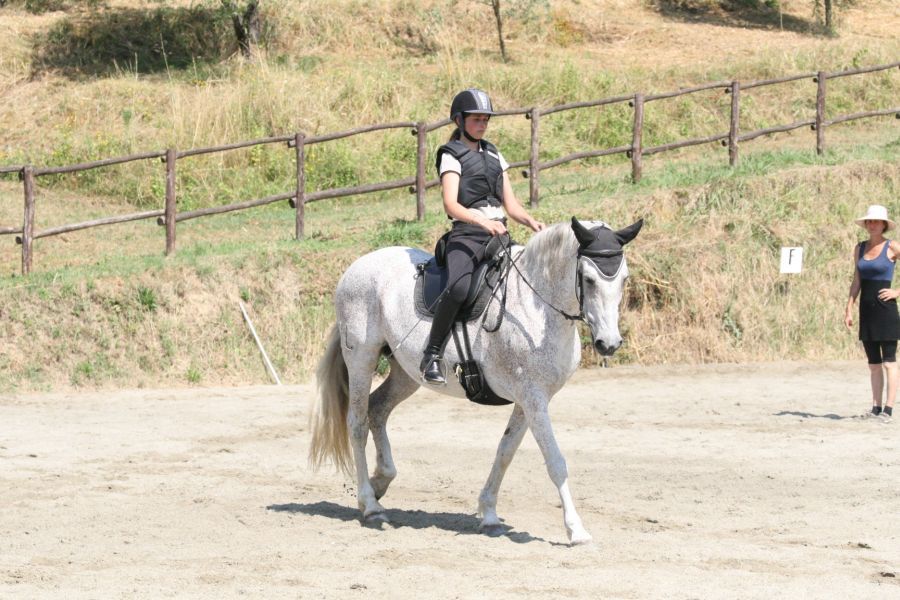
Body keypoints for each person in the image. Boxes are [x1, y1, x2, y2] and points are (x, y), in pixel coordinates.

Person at [419, 88, 544, 384]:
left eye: (485, 119)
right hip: (466, 235)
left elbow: (510, 205)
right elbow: (451, 204)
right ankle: (432, 354)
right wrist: (481, 222)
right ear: (460, 121)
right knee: (460, 288)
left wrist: (531, 222)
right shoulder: (451, 155)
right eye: (476, 119)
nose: (482, 124)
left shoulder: (493, 154)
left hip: (498, 233)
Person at [844, 204, 899, 423]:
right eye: (869, 221)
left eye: (876, 221)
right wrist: (849, 307)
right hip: (866, 309)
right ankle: (875, 407)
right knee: (873, 364)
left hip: (886, 310)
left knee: (888, 362)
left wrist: (897, 291)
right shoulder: (859, 248)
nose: (872, 224)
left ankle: (888, 409)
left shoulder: (892, 246)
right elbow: (856, 280)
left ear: (884, 224)